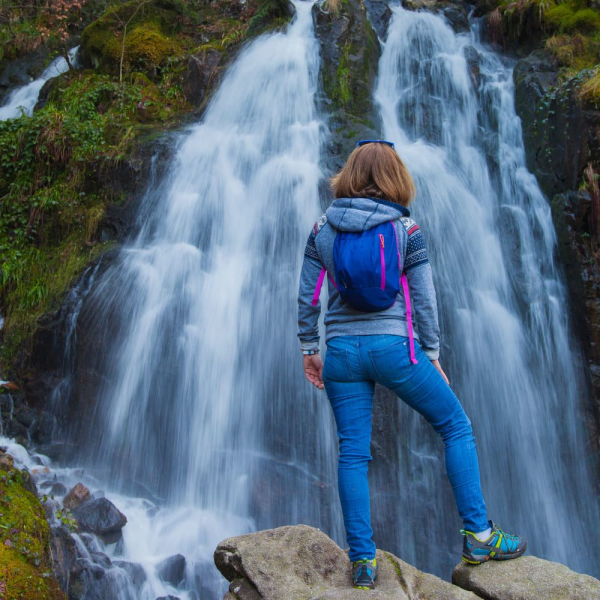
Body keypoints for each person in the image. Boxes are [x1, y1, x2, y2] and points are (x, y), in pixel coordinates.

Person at [297, 140, 526, 590]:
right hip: (395, 351)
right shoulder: (406, 229)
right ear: (395, 176)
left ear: (350, 174)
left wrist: (310, 349)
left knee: (353, 454)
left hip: (341, 353)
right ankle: (479, 535)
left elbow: (308, 294)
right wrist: (433, 354)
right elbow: (424, 299)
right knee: (455, 426)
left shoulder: (322, 228)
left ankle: (363, 561)